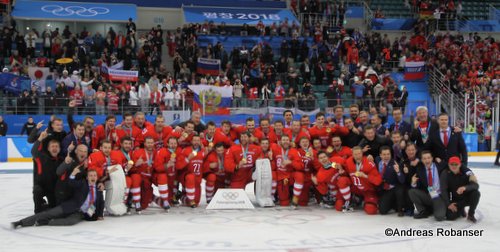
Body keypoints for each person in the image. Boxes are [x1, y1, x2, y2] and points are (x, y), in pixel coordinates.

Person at [11, 168, 104, 229]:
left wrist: (100, 215)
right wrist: (73, 174)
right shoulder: (82, 184)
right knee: (48, 213)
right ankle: (21, 222)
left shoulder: (99, 190)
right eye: (91, 175)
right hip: (69, 206)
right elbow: (71, 182)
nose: (93, 177)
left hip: (81, 213)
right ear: (87, 178)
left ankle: (47, 222)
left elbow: (101, 203)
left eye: (94, 176)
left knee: (70, 222)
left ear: (97, 178)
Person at [31, 129, 63, 213]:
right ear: (48, 148)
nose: (54, 148)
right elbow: (34, 151)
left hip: (53, 190)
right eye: (52, 146)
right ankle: (37, 210)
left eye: (56, 147)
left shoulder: (61, 160)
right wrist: (40, 138)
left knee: (53, 208)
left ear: (59, 149)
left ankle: (45, 205)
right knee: (37, 190)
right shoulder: (42, 157)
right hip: (41, 187)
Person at [409, 151, 447, 221]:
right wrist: (413, 183)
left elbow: (455, 165)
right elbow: (419, 186)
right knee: (412, 191)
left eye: (428, 158)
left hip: (439, 196)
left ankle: (436, 208)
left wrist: (469, 173)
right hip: (428, 195)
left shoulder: (441, 166)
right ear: (422, 160)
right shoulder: (420, 170)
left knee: (439, 217)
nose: (427, 160)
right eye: (424, 158)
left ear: (432, 158)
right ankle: (423, 211)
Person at [440, 156, 480, 223]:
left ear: (460, 164)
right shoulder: (445, 173)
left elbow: (476, 185)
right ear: (448, 165)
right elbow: (443, 190)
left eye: (456, 164)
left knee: (476, 193)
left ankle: (471, 214)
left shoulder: (467, 173)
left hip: (467, 198)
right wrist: (449, 204)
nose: (454, 166)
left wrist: (465, 188)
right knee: (450, 216)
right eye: (452, 164)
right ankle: (461, 210)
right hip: (456, 201)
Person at [377, 146, 406, 216]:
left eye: (388, 154)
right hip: (385, 189)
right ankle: (392, 204)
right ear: (380, 155)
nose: (386, 156)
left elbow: (402, 180)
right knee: (382, 211)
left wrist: (398, 171)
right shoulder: (378, 162)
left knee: (399, 189)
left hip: (395, 188)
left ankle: (400, 208)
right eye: (384, 154)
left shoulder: (395, 164)